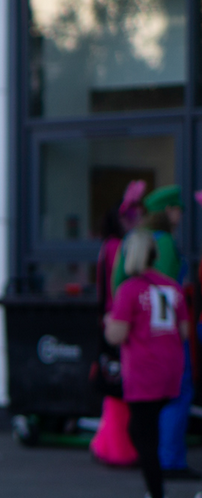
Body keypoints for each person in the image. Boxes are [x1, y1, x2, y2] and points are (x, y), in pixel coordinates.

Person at [106, 231, 190, 498]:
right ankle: (155, 497)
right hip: (170, 368)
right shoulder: (172, 287)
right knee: (146, 431)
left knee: (144, 437)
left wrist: (109, 323)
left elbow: (116, 334)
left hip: (143, 371)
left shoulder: (130, 289)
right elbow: (183, 331)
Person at [89, 181, 145, 467]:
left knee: (115, 388)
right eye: (131, 216)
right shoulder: (117, 248)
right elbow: (118, 286)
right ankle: (116, 447)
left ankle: (107, 444)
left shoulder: (107, 246)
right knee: (119, 389)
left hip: (110, 321)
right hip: (117, 322)